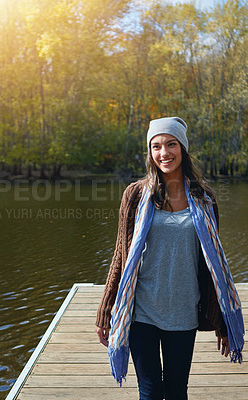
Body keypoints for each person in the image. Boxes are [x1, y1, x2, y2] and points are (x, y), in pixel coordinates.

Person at [95, 117, 244, 400]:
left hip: (183, 312)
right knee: (149, 393)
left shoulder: (204, 198)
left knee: (177, 392)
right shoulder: (136, 195)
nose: (164, 153)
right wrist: (106, 310)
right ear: (150, 153)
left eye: (171, 144)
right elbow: (120, 257)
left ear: (183, 149)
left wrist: (222, 322)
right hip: (141, 311)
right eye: (156, 146)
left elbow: (212, 267)